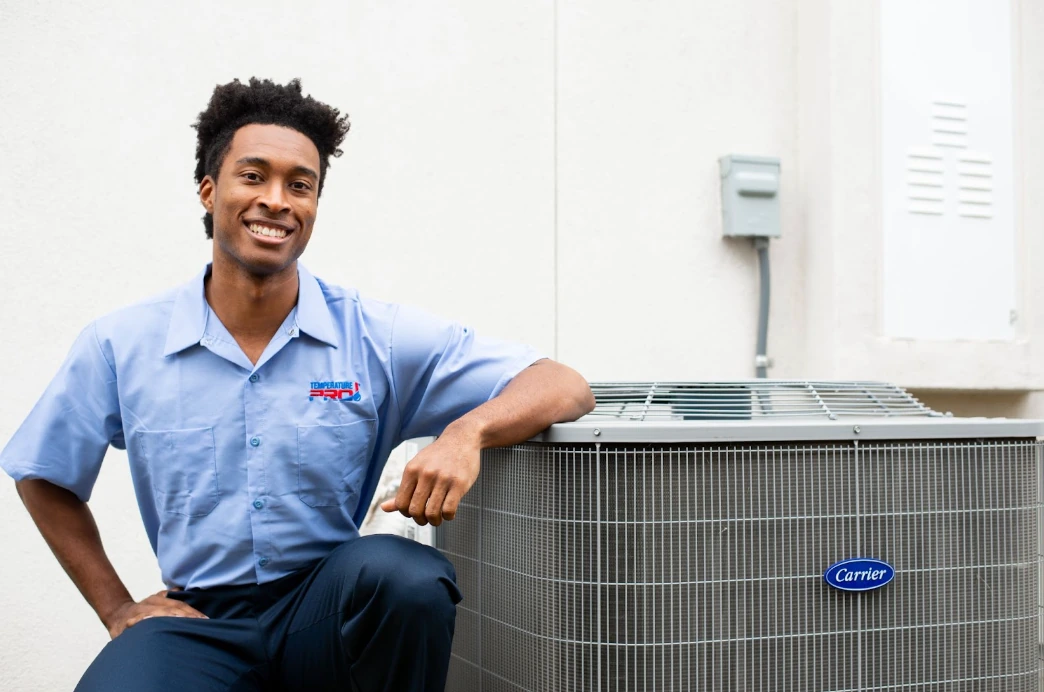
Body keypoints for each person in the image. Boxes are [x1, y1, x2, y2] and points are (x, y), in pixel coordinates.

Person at [1, 77, 595, 692]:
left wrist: (466, 432)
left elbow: (563, 385)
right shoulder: (120, 345)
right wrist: (116, 606)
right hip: (199, 621)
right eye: (253, 176)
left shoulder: (374, 335)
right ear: (209, 191)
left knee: (407, 577)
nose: (277, 201)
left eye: (300, 185)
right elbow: (42, 473)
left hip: (325, 609)